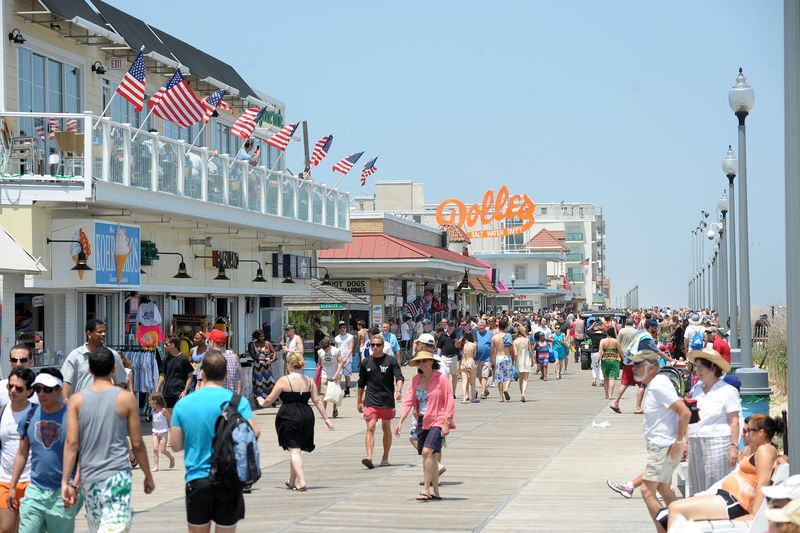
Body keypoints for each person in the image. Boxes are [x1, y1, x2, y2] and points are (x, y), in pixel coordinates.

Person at [62, 346, 154, 532]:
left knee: (97, 527)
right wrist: (147, 474)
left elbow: (72, 443)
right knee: (114, 527)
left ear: (89, 369)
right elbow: (137, 443)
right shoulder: (125, 398)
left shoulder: (77, 400)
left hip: (89, 476)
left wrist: (66, 481)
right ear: (114, 369)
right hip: (117, 474)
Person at [171, 350, 258, 531]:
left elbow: (176, 445)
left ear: (201, 372)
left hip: (197, 479)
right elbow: (254, 433)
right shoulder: (237, 402)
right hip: (228, 478)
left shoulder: (183, 404)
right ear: (226, 373)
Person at [665, 414, 783, 531]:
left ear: (761, 432)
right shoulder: (760, 450)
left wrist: (754, 514)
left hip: (737, 502)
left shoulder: (765, 451)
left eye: (748, 430)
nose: (745, 434)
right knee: (673, 509)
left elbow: (762, 483)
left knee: (675, 509)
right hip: (729, 498)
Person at [7, 368, 83, 533]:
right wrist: (12, 486)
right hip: (35, 490)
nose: (41, 394)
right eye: (38, 389)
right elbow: (22, 453)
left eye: (47, 389)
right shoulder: (29, 415)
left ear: (59, 389)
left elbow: (83, 456)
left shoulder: (73, 416)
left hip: (62, 492)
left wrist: (75, 485)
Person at [256, 353, 333, 490]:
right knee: (296, 449)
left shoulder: (284, 380)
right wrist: (326, 418)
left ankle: (302, 481)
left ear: (289, 365)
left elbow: (270, 400)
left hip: (289, 415)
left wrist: (262, 402)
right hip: (306, 415)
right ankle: (292, 481)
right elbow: (317, 400)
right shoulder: (310, 380)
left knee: (294, 451)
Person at [632, 349, 691, 531]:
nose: (633, 369)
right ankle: (683, 526)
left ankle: (666, 528)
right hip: (662, 445)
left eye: (637, 365)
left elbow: (684, 412)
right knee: (663, 488)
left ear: (650, 367)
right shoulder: (655, 384)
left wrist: (679, 442)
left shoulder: (658, 385)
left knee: (646, 490)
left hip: (663, 446)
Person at [395, 351, 455, 502]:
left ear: (431, 362)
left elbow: (449, 400)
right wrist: (401, 421)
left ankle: (426, 490)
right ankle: (436, 491)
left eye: (424, 361)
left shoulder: (441, 378)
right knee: (432, 456)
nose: (421, 364)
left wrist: (446, 422)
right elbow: (408, 400)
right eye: (419, 362)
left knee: (427, 452)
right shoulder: (416, 379)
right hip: (422, 420)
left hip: (438, 419)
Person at [686, 346, 740, 496]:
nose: (698, 371)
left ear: (712, 367)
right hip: (696, 439)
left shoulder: (727, 390)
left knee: (716, 483)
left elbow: (734, 421)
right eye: (696, 367)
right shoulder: (696, 389)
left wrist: (734, 446)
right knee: (696, 484)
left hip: (717, 440)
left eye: (701, 367)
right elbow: (691, 416)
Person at [357, 335, 404, 469]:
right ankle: (369, 457)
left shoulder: (391, 361)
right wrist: (359, 401)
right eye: (373, 345)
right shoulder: (366, 362)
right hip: (370, 399)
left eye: (378, 345)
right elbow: (361, 384)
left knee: (385, 426)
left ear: (383, 346)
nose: (375, 347)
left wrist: (399, 390)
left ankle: (385, 457)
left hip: (387, 399)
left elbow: (399, 377)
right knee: (370, 426)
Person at [0, 368, 35, 532]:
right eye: (10, 386)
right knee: (6, 529)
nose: (12, 391)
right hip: (4, 481)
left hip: (31, 482)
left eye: (19, 388)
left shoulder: (37, 413)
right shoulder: (2, 411)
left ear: (29, 391)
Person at [61, 319, 128, 398]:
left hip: (105, 406)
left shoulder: (113, 355)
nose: (103, 334)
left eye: (104, 331)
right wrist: (65, 399)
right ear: (89, 334)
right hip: (82, 405)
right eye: (99, 332)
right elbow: (66, 380)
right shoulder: (76, 355)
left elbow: (121, 381)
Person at [157, 337, 195, 415]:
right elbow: (162, 375)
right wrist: (158, 388)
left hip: (179, 392)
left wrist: (185, 391)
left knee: (179, 416)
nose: (164, 346)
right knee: (168, 417)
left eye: (166, 344)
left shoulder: (183, 359)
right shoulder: (166, 359)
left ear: (173, 345)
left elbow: (190, 376)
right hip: (167, 392)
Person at [206, 330, 241, 395]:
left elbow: (200, 384)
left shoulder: (207, 359)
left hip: (213, 401)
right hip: (231, 402)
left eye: (208, 341)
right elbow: (239, 382)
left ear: (212, 342)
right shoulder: (234, 358)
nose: (207, 343)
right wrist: (236, 402)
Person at [316, 337, 343, 418]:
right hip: (324, 375)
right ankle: (324, 413)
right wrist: (318, 374)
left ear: (329, 346)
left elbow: (341, 362)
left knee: (334, 395)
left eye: (326, 349)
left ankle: (334, 409)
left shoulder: (336, 351)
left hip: (334, 375)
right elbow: (319, 363)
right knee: (323, 395)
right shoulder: (320, 352)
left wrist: (337, 373)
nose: (325, 351)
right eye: (323, 349)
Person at [491, 318, 516, 401]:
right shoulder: (508, 336)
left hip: (498, 357)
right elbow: (511, 348)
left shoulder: (494, 337)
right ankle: (506, 388)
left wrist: (492, 360)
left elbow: (492, 350)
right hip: (506, 356)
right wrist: (513, 358)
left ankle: (501, 397)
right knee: (509, 376)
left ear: (498, 327)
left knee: (499, 378)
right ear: (505, 327)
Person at [149, 393, 175, 471]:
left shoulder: (163, 411)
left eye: (151, 402)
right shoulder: (153, 410)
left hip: (164, 431)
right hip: (155, 431)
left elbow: (170, 419)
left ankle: (171, 458)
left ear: (156, 402)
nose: (150, 403)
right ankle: (156, 466)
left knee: (163, 450)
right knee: (155, 449)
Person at [248, 329, 276, 402]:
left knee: (270, 383)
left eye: (263, 336)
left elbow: (274, 352)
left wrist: (272, 360)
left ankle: (271, 400)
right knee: (258, 383)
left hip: (267, 367)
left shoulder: (267, 343)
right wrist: (262, 357)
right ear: (257, 337)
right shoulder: (252, 344)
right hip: (258, 367)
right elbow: (253, 356)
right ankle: (259, 401)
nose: (262, 337)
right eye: (261, 336)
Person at [436, 321, 460, 397]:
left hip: (454, 357)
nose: (450, 328)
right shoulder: (443, 335)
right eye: (448, 327)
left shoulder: (456, 334)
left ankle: (453, 393)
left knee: (454, 375)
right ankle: (446, 392)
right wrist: (437, 358)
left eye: (451, 327)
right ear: (446, 327)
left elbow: (457, 347)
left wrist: (457, 341)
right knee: (445, 375)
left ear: (453, 327)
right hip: (445, 357)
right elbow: (439, 347)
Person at [598, 327, 622, 401]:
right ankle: (611, 395)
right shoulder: (616, 341)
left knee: (605, 378)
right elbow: (620, 351)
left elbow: (600, 351)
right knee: (612, 379)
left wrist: (597, 361)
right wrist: (624, 359)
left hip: (605, 360)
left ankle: (606, 395)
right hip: (614, 360)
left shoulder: (602, 341)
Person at [334, 321, 355, 398]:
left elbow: (351, 348)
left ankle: (347, 390)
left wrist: (346, 358)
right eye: (341, 328)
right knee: (338, 375)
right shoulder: (336, 338)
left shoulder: (350, 337)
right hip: (339, 359)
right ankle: (337, 391)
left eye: (344, 327)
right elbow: (335, 348)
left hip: (347, 359)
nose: (342, 329)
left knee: (347, 375)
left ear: (346, 328)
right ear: (339, 329)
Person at [473, 320, 493, 400]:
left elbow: (493, 346)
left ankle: (482, 393)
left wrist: (493, 358)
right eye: (480, 325)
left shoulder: (490, 334)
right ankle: (485, 389)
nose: (481, 327)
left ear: (485, 326)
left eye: (483, 326)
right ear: (477, 326)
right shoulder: (475, 334)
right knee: (480, 376)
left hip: (487, 358)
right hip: (477, 358)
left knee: (484, 375)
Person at [513, 326, 533, 402]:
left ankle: (521, 393)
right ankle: (523, 394)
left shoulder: (515, 341)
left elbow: (515, 353)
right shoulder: (527, 340)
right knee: (526, 378)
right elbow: (531, 351)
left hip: (519, 360)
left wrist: (514, 362)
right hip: (526, 359)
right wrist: (533, 360)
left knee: (520, 378)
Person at [459, 330, 478, 404]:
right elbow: (474, 355)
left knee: (464, 381)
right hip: (471, 362)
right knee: (473, 382)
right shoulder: (473, 345)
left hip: (464, 363)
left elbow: (461, 354)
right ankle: (473, 398)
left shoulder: (462, 345)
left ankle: (464, 398)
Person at [588, 321, 608, 387]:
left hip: (594, 352)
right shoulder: (604, 335)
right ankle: (602, 381)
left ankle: (594, 380)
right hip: (601, 352)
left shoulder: (592, 334)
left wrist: (592, 326)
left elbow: (587, 331)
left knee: (594, 366)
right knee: (601, 367)